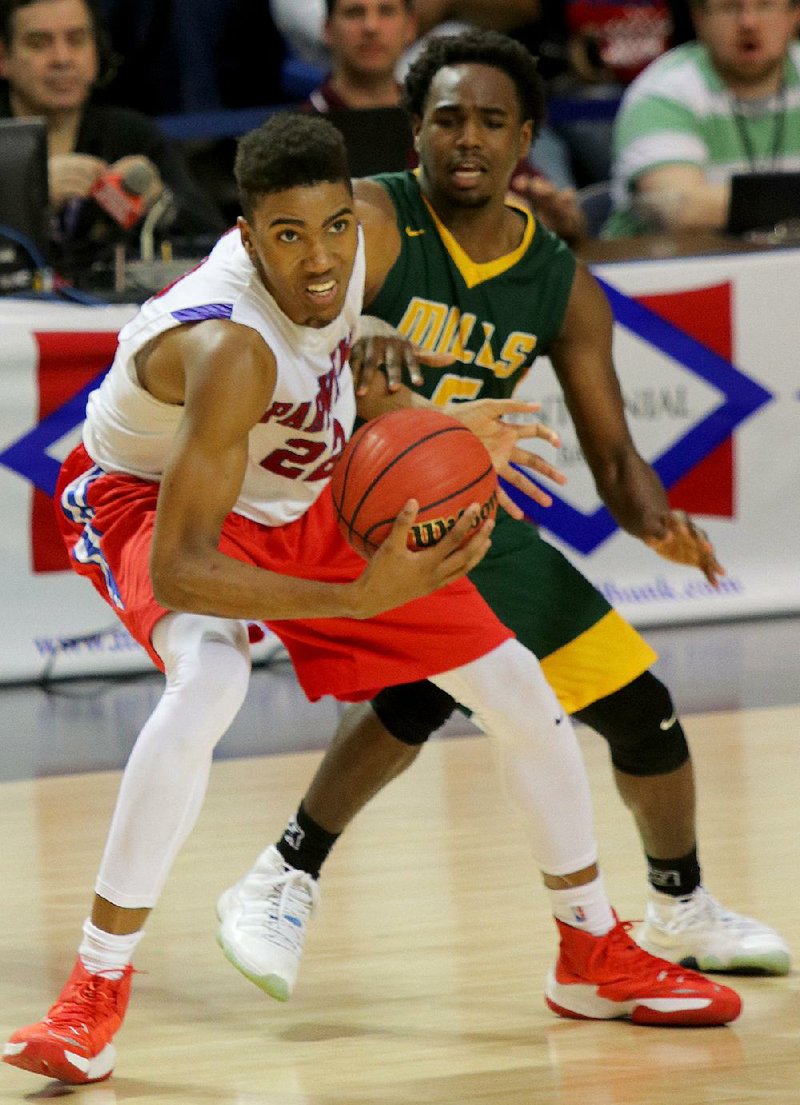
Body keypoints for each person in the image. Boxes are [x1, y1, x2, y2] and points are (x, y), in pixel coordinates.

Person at [3, 110, 741, 1088]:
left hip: (300, 486)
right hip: (149, 503)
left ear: (352, 215)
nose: (317, 262)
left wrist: (411, 409)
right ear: (246, 233)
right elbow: (182, 567)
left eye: (331, 231)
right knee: (210, 677)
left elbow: (361, 331)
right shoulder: (228, 349)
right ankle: (93, 991)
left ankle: (589, 951)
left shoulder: (348, 247)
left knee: (519, 686)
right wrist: (358, 591)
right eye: (287, 238)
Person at [243, 28, 789, 1003]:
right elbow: (345, 353)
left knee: (607, 713)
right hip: (335, 498)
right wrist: (408, 402)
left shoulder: (563, 287)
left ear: (525, 138)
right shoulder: (370, 217)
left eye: (491, 121)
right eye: (446, 117)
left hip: (460, 524)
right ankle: (295, 875)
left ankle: (675, 907)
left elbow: (615, 455)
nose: (467, 137)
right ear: (411, 132)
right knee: (454, 695)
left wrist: (656, 520)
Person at [306, 0, 587, 242]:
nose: (371, 27)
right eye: (354, 13)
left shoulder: (453, 115)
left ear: (410, 27)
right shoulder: (302, 131)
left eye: (386, 11)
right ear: (327, 30)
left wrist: (556, 219)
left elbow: (529, 202)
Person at [0, 0, 226, 282]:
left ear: (96, 52)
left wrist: (159, 203)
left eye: (77, 40)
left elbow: (220, 243)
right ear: (4, 57)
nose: (62, 58)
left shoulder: (132, 135)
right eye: (39, 43)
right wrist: (27, 198)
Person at [604, 0, 800, 236]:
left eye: (765, 5)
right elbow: (679, 208)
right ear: (698, 18)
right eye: (729, 8)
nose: (748, 23)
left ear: (795, 14)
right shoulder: (664, 90)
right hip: (669, 267)